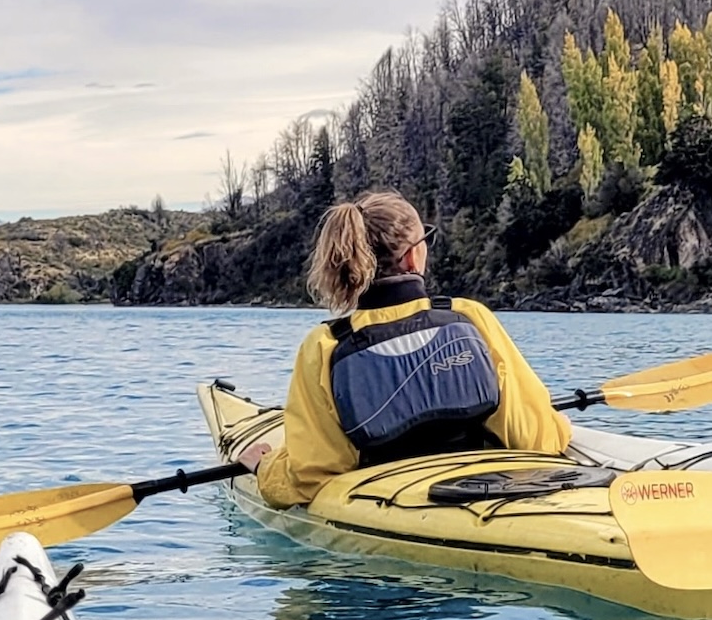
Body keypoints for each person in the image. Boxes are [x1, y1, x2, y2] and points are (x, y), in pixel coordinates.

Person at [239, 190, 572, 506]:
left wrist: (264, 468)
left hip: (386, 501)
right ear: (414, 255)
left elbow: (312, 476)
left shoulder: (325, 345)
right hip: (485, 489)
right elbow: (537, 439)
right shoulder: (469, 317)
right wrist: (560, 426)